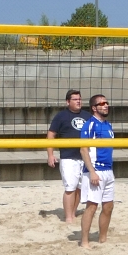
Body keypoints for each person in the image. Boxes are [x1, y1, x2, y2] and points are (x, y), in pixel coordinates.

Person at [77, 93, 115, 248]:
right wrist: (92, 171)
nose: (106, 105)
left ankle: (102, 239)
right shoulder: (90, 125)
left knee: (108, 206)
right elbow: (83, 149)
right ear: (94, 108)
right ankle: (84, 241)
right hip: (95, 170)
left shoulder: (108, 125)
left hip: (108, 170)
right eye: (102, 103)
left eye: (106, 103)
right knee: (92, 207)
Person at [46, 90, 87, 224]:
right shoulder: (61, 116)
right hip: (68, 157)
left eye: (79, 99)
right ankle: (68, 217)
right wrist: (50, 155)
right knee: (70, 188)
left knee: (80, 188)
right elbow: (51, 135)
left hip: (84, 157)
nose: (78, 101)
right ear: (68, 102)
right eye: (75, 99)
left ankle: (73, 212)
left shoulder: (87, 116)